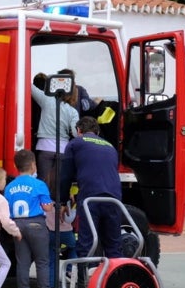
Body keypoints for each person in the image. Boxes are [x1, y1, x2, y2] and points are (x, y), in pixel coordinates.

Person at [59, 116, 122, 288]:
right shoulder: (110, 146)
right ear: (98, 132)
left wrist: (62, 200)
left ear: (78, 131)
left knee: (86, 243)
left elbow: (65, 175)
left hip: (90, 198)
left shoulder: (75, 144)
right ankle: (113, 282)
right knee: (113, 245)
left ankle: (82, 283)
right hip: (114, 199)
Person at [4, 149, 53, 288]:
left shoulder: (9, 186)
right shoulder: (39, 184)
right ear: (33, 165)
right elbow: (47, 207)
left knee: (22, 263)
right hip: (36, 224)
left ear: (16, 166)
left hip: (17, 225)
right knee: (42, 262)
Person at [31, 74, 79, 183]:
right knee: (58, 183)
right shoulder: (73, 112)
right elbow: (76, 133)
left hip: (45, 147)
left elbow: (30, 88)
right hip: (63, 149)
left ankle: (44, 200)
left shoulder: (46, 100)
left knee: (43, 181)